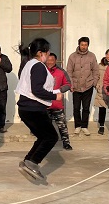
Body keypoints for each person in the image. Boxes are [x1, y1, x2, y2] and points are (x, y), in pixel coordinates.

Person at [16, 39, 72, 183]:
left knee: (43, 136)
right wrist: (55, 96)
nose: (48, 55)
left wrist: (56, 92)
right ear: (41, 53)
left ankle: (28, 161)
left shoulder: (29, 64)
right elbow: (37, 90)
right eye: (47, 52)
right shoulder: (38, 66)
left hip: (27, 108)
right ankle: (33, 163)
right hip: (33, 109)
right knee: (51, 137)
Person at [66, 36, 99, 136]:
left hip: (88, 86)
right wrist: (71, 84)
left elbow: (95, 70)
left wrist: (94, 82)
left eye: (85, 45)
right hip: (76, 86)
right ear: (79, 45)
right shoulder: (72, 56)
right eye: (82, 45)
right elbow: (69, 72)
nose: (84, 47)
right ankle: (77, 126)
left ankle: (84, 126)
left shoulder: (92, 56)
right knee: (76, 108)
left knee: (86, 107)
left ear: (88, 45)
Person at [46, 53, 72, 150]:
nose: (50, 62)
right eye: (48, 60)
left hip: (57, 104)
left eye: (52, 60)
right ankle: (46, 144)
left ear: (55, 61)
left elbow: (68, 84)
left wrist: (59, 90)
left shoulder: (61, 72)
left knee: (62, 125)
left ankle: (66, 143)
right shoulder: (41, 71)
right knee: (45, 127)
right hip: (44, 104)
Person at [94, 49, 109, 135]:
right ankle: (101, 126)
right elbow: (96, 76)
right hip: (101, 89)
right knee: (102, 108)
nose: (108, 56)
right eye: (107, 54)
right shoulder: (101, 65)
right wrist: (97, 85)